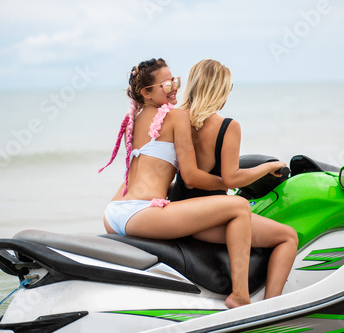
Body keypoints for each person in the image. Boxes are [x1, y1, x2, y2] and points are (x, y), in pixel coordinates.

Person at [99, 58, 253, 308]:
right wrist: (227, 182)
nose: (174, 87)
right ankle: (241, 296)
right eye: (166, 84)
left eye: (175, 81)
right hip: (140, 212)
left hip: (113, 211)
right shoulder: (176, 116)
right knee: (239, 207)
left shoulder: (135, 118)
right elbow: (191, 176)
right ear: (146, 92)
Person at [168, 59, 298, 299]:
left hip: (177, 213)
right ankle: (269, 308)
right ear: (220, 90)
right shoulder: (228, 126)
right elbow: (233, 178)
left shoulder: (174, 119)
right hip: (207, 220)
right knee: (288, 236)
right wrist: (268, 167)